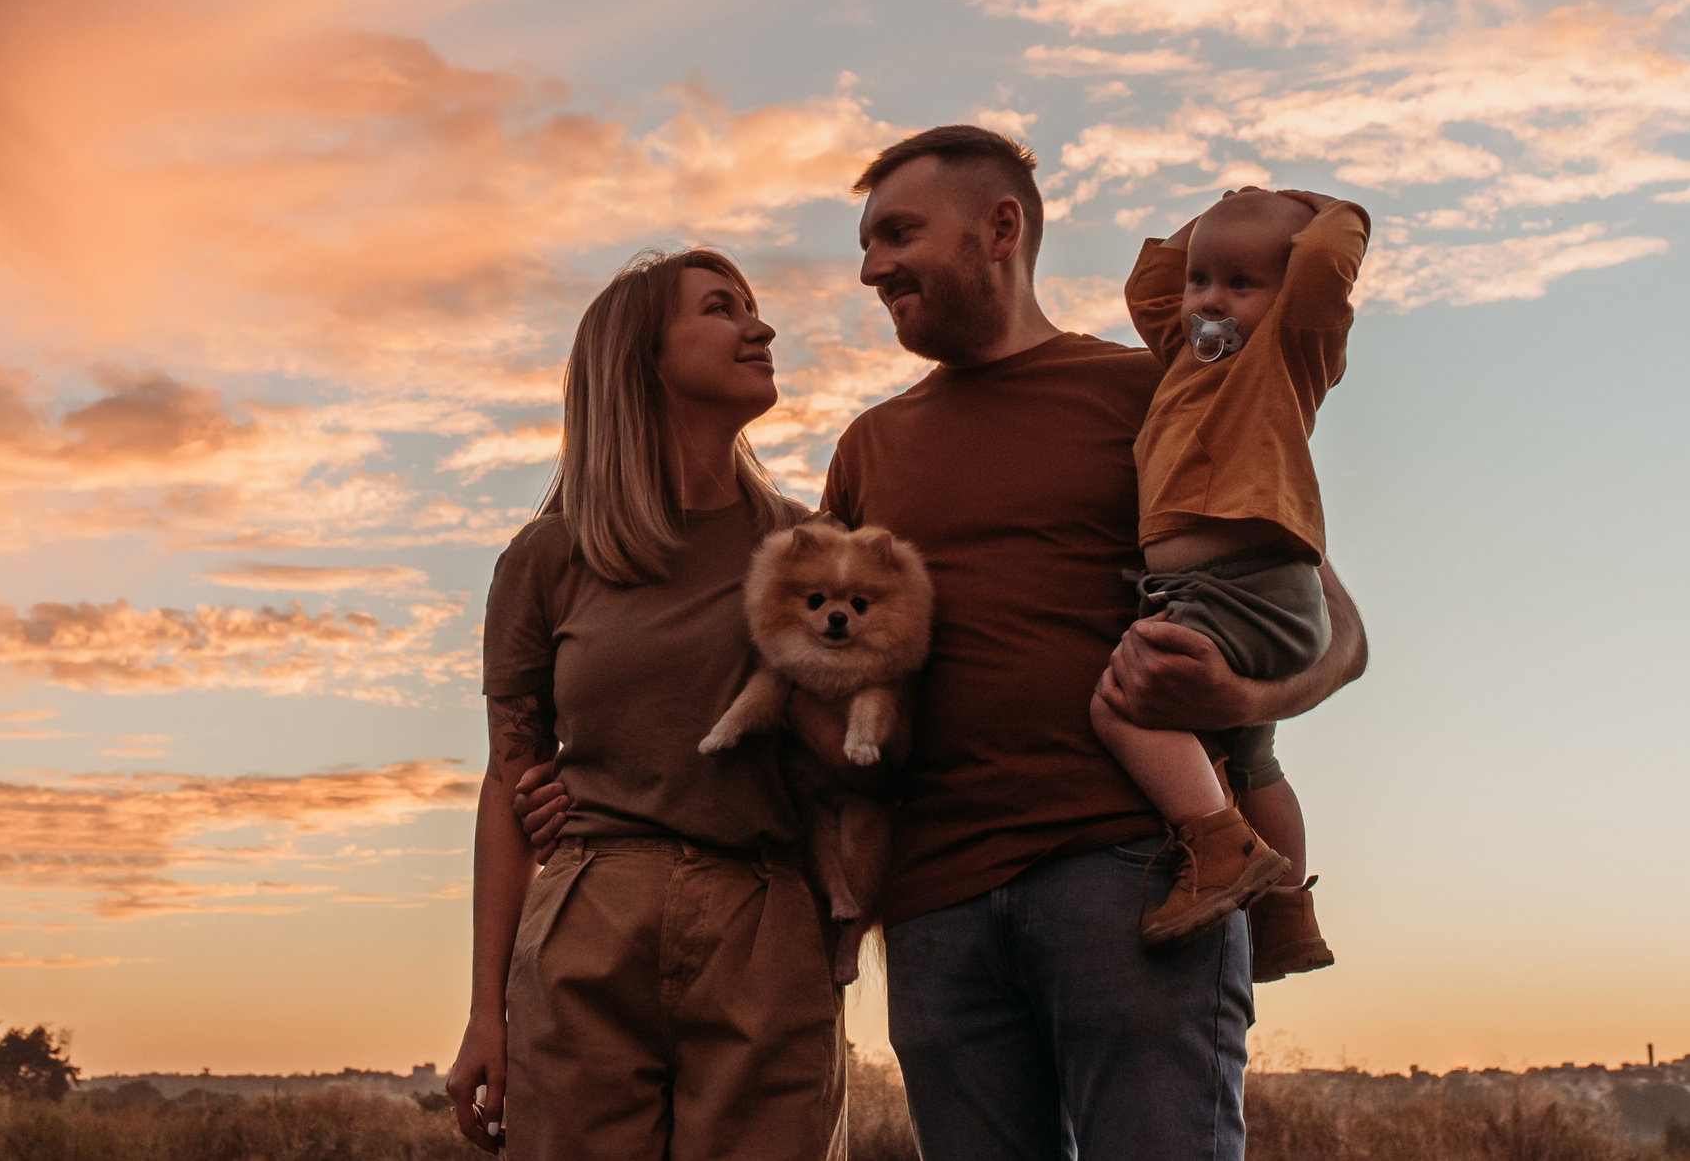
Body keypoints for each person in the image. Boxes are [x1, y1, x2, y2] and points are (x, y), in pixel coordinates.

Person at [821, 125, 1367, 1161]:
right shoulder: (867, 449)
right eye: (865, 241)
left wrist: (1241, 698)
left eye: (897, 232)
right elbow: (830, 667)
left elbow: (1334, 625)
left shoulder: (1152, 391)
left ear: (1000, 227)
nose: (870, 265)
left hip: (1133, 881)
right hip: (934, 905)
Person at [446, 248, 863, 1161]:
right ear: (642, 358)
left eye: (752, 306)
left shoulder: (812, 548)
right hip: (588, 918)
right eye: (722, 308)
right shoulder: (547, 556)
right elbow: (509, 777)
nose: (761, 327)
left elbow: (870, 755)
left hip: (765, 917)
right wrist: (487, 1010)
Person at [1092, 186, 1369, 966]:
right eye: (1203, 280)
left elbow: (1322, 260)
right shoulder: (1187, 357)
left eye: (1242, 284)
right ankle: (1285, 917)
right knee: (1251, 763)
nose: (1212, 298)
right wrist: (1223, 214)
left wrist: (1312, 207)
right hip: (1229, 593)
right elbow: (1152, 280)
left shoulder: (1286, 356)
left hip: (1246, 587)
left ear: (1287, 297)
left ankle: (1220, 850)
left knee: (1124, 703)